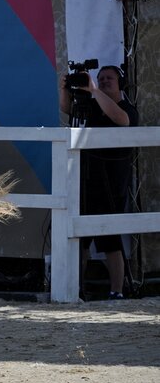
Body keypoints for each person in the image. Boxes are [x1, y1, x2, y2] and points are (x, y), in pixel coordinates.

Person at [59, 64, 139, 299]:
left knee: (110, 239)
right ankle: (76, 289)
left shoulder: (126, 107)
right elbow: (67, 109)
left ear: (120, 84)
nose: (103, 81)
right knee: (80, 239)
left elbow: (122, 120)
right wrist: (65, 89)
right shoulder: (92, 105)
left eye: (109, 79)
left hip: (112, 180)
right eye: (100, 78)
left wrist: (94, 90)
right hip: (86, 176)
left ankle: (116, 291)